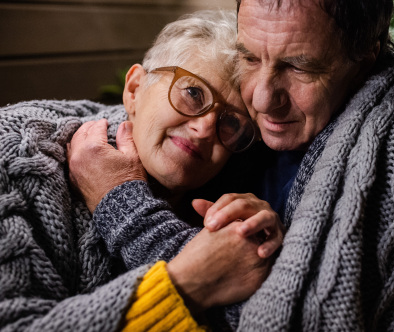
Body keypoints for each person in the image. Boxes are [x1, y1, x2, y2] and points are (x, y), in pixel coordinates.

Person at [69, 0, 394, 331]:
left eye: (299, 67)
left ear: (366, 53)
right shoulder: (245, 122)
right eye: (250, 57)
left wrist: (124, 205)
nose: (261, 98)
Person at [0, 10, 284, 332]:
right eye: (193, 93)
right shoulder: (17, 160)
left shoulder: (234, 187)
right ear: (134, 89)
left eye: (231, 122)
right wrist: (189, 281)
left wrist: (263, 244)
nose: (205, 129)